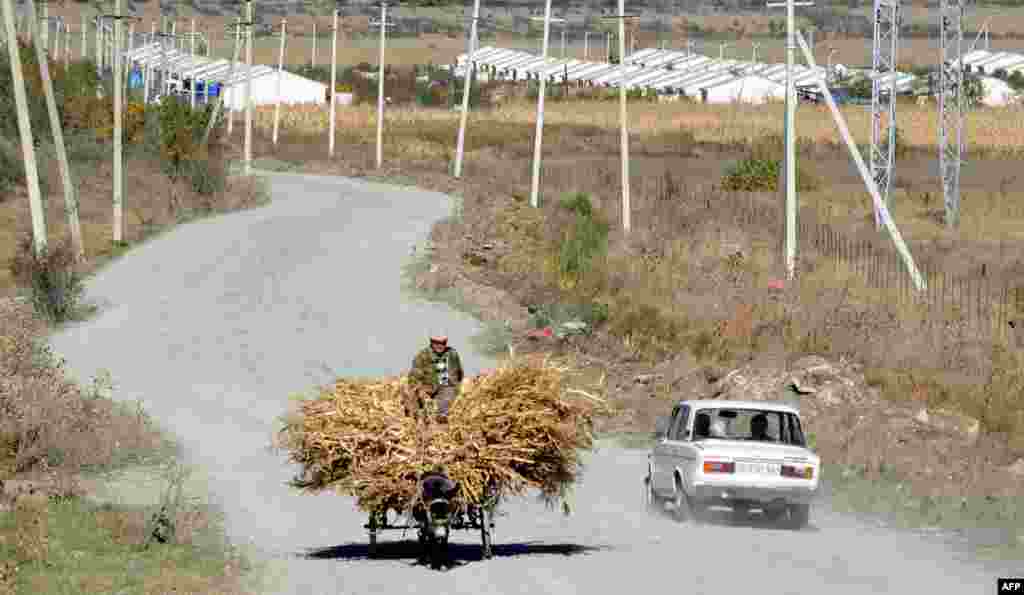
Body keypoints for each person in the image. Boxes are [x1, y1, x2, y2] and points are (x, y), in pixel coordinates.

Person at [409, 335, 464, 420]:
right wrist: (420, 391)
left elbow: (459, 373)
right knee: (421, 406)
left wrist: (456, 386)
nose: (440, 345)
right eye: (437, 343)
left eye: (443, 343)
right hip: (427, 389)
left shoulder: (452, 354)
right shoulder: (422, 355)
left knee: (448, 395)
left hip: (445, 387)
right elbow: (414, 378)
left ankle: (442, 415)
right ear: (431, 343)